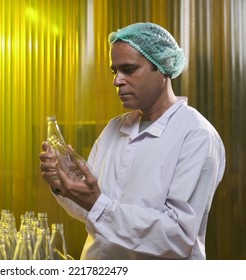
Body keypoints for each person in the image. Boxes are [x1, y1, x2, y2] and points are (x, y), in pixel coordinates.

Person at [39, 22, 226, 260]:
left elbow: (178, 237)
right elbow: (92, 211)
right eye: (114, 71)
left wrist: (97, 203)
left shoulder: (196, 135)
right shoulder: (114, 128)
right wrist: (64, 184)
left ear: (164, 67)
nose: (117, 81)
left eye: (129, 69)